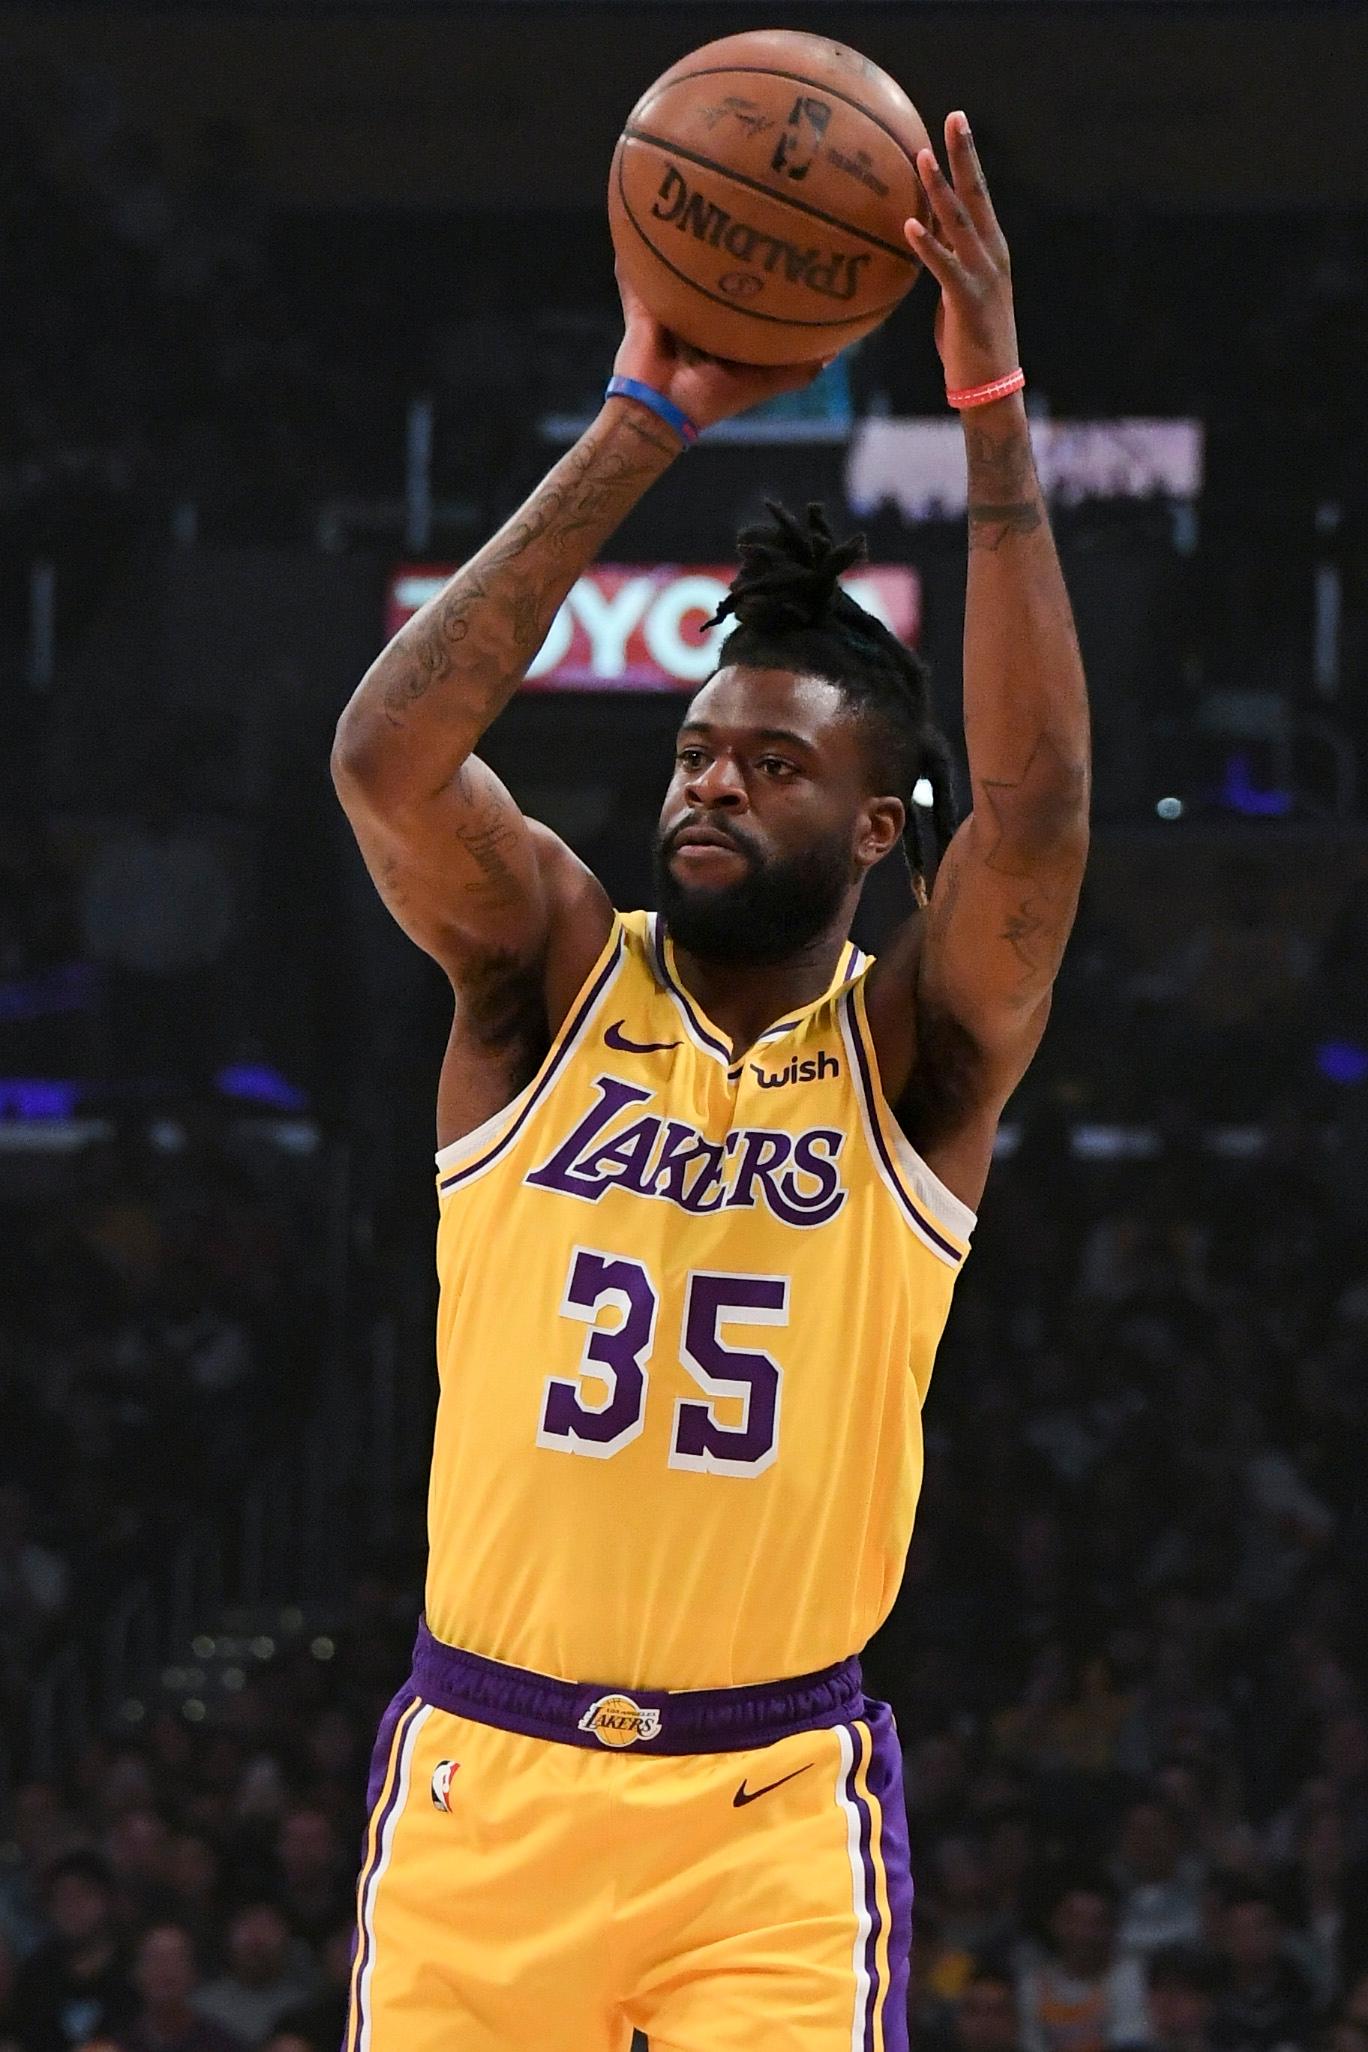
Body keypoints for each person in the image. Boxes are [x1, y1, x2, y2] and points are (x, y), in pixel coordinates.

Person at [331, 110, 1089, 2052]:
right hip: (481, 1795)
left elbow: (1048, 815)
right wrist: (639, 421)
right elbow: (386, 766)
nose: (710, 783)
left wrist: (993, 419)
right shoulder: (548, 977)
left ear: (884, 828)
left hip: (765, 1817)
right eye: (693, 753)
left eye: (771, 766)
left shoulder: (919, 1065)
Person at [1017, 1880, 1151, 2052]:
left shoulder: (1131, 1977)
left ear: (1112, 1927)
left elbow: (1129, 2041)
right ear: (1054, 1923)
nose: (1084, 1933)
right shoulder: (1033, 1986)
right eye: (1074, 1920)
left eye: (1096, 1922)